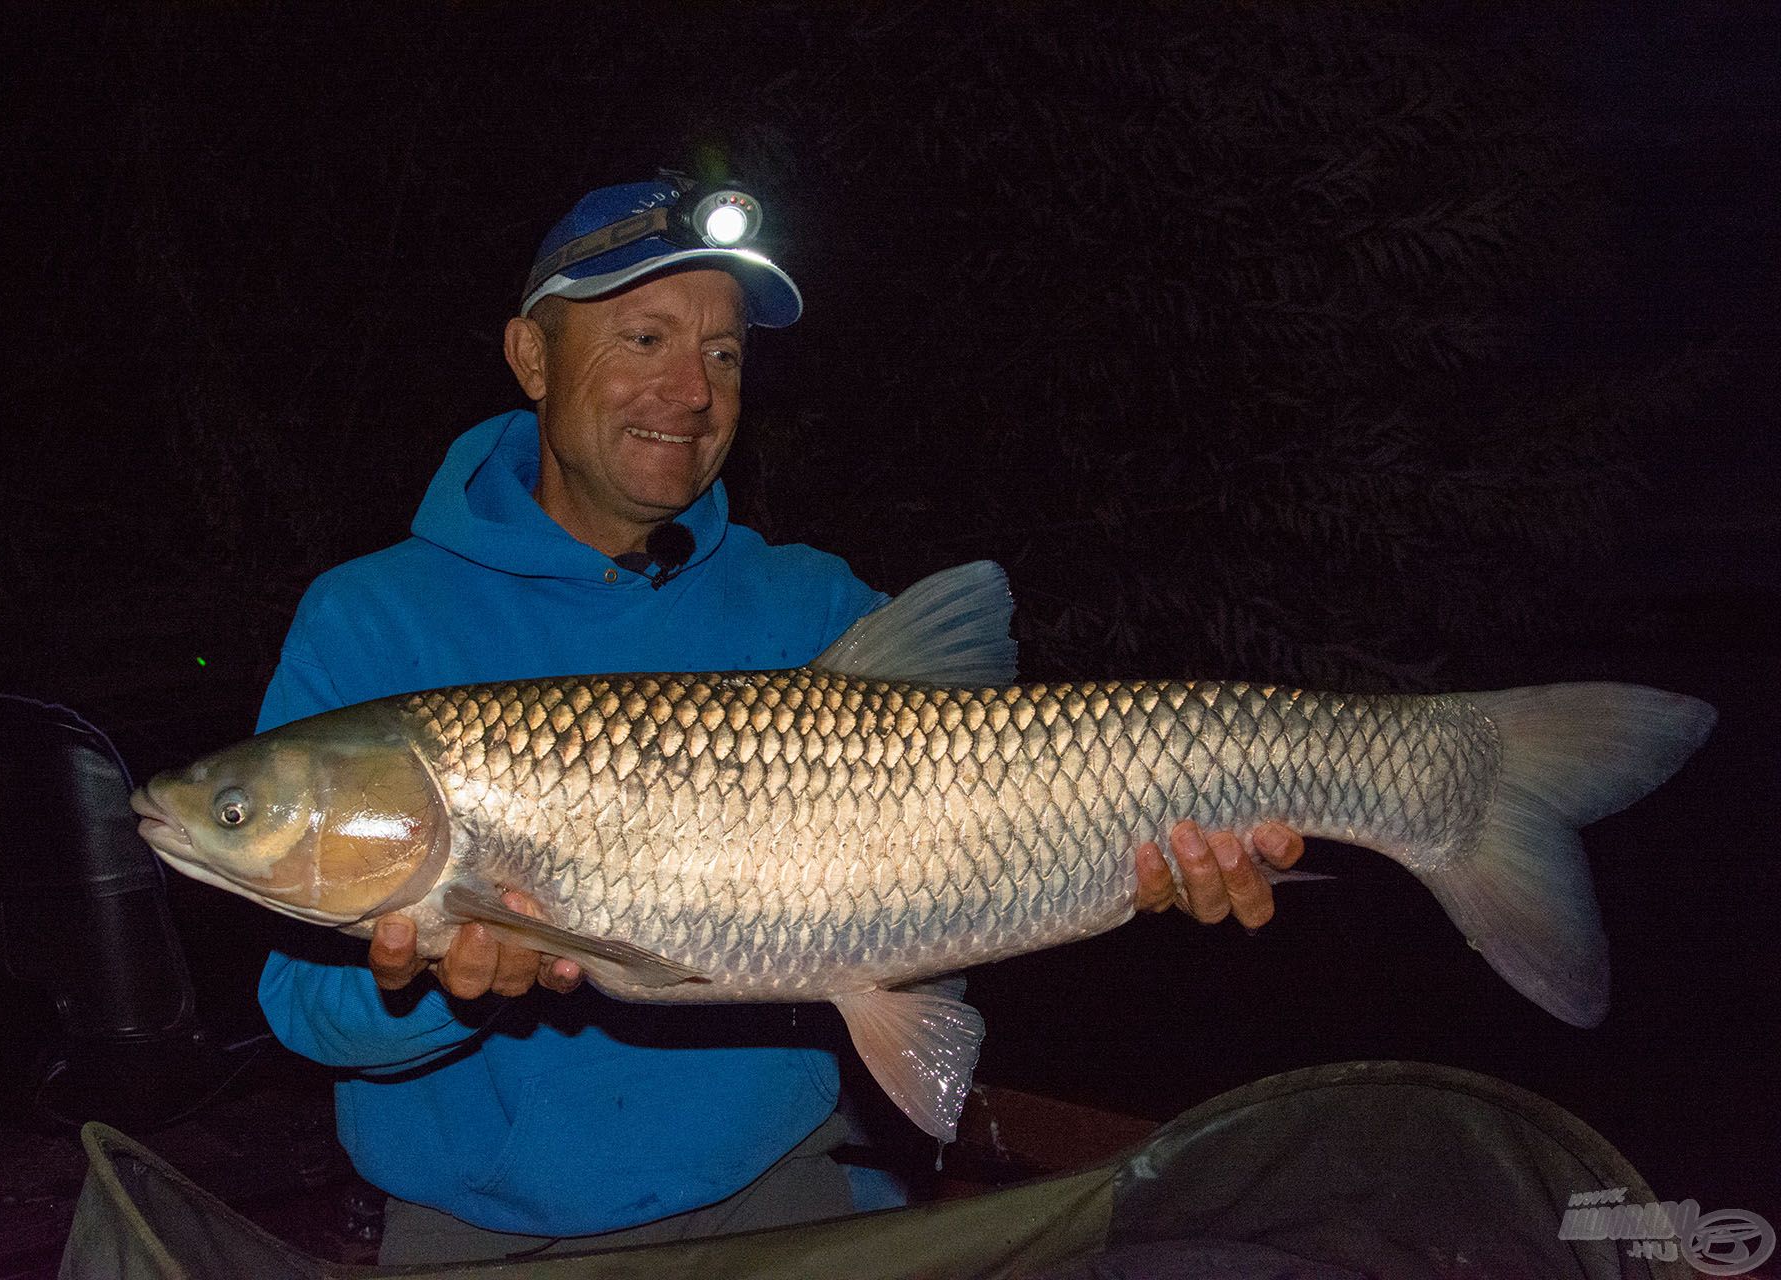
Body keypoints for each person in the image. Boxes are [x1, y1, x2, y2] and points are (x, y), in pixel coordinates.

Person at [252, 173, 1306, 1264]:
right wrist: (431, 985)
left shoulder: (810, 604)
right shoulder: (371, 617)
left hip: (787, 1192)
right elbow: (300, 1004)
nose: (692, 390)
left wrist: (1141, 855)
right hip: (478, 1227)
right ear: (532, 356)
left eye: (722, 353)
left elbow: (989, 834)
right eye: (646, 337)